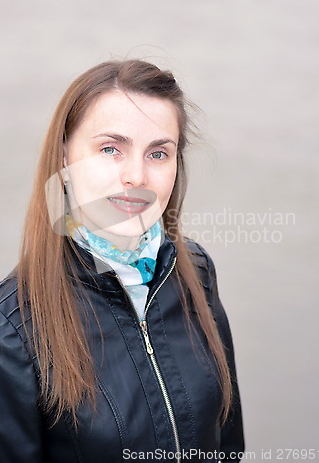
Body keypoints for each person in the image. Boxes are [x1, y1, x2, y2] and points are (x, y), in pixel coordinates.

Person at [0, 59, 244, 462]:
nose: (136, 176)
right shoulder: (15, 328)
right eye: (111, 149)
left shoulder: (195, 273)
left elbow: (229, 442)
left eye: (158, 154)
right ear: (64, 159)